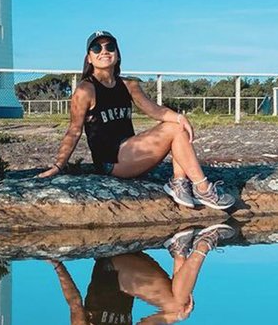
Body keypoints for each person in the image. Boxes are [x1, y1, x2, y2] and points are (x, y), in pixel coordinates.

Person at [37, 30, 235, 210]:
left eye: (110, 47)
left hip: (132, 154)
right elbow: (74, 130)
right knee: (174, 129)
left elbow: (154, 110)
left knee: (177, 125)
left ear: (117, 54)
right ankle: (202, 188)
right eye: (97, 48)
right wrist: (58, 166)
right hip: (111, 162)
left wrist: (179, 117)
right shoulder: (85, 89)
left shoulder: (129, 85)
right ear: (89, 58)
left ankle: (179, 182)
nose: (104, 51)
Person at [48, 224, 236, 325]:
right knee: (177, 305)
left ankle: (202, 245)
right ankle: (182, 250)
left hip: (112, 266)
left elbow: (74, 302)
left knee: (177, 304)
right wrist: (175, 317)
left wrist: (57, 265)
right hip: (130, 274)